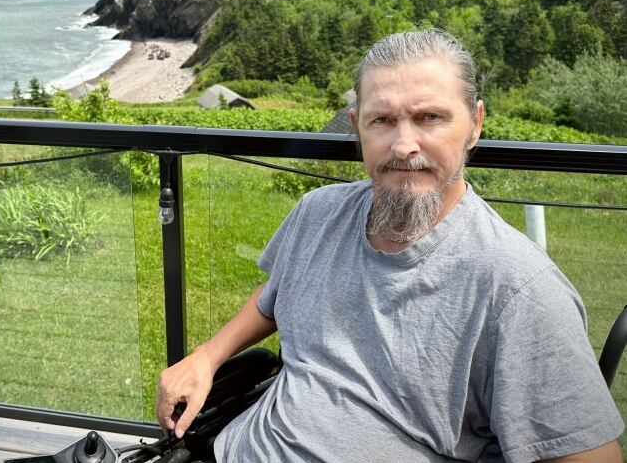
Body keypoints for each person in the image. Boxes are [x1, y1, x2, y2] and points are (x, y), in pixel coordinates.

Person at [155, 29, 624, 462]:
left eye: (430, 118)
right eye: (383, 120)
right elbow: (272, 299)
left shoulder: (517, 289)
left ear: (475, 124)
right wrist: (206, 357)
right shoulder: (318, 213)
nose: (403, 145)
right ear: (358, 127)